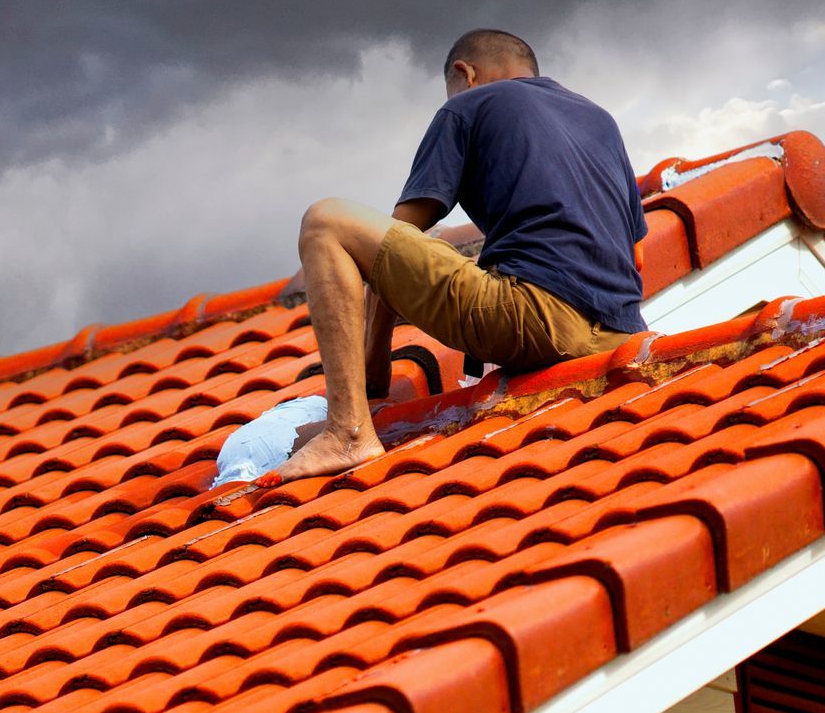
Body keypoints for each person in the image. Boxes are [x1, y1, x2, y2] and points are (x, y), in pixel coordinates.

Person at [275, 28, 647, 481]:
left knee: (326, 223)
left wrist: (374, 380)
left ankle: (347, 432)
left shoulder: (468, 104)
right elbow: (637, 256)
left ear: (465, 73)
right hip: (621, 332)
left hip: (532, 318)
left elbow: (396, 239)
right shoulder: (600, 119)